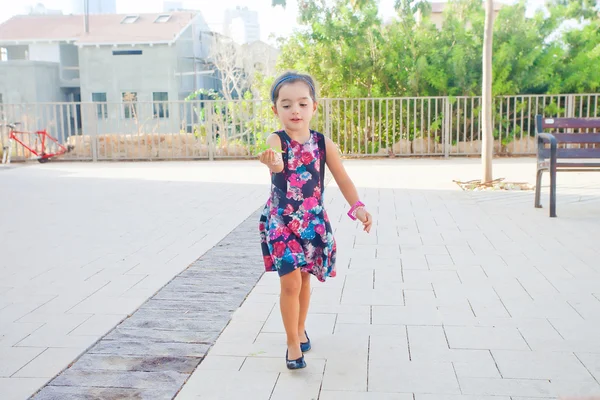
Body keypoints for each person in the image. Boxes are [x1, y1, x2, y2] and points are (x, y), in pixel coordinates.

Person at [258, 71, 372, 370]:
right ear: (275, 109)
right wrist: (274, 161)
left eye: (302, 103)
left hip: (312, 222)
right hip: (281, 222)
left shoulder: (323, 143)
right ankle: (293, 345)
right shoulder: (276, 139)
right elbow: (279, 161)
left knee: (305, 280)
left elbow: (343, 179)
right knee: (291, 283)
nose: (294, 110)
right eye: (286, 104)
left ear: (313, 107)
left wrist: (357, 207)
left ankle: (299, 328)